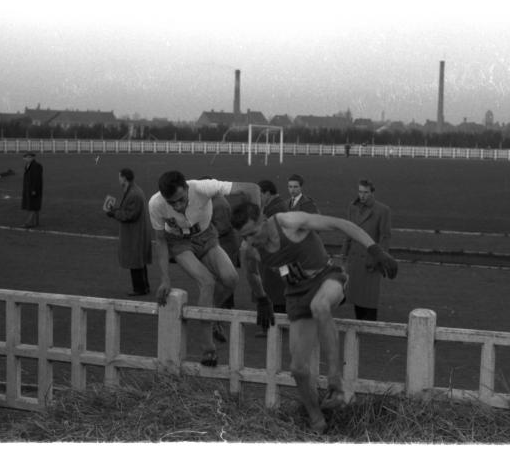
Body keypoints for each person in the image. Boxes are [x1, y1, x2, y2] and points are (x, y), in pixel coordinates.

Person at [231, 202, 398, 433]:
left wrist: (375, 249)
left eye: (252, 233)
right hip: (297, 297)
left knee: (320, 305)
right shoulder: (249, 249)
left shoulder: (290, 222)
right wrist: (261, 299)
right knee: (298, 369)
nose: (250, 241)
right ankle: (317, 420)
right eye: (244, 236)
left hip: (327, 279)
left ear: (263, 220)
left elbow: (340, 224)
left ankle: (334, 380)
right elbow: (250, 273)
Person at [149, 171, 261, 366]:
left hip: (207, 236)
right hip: (179, 242)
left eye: (181, 200)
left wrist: (256, 228)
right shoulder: (155, 203)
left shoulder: (203, 187)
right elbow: (160, 241)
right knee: (207, 282)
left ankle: (213, 313)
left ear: (187, 188)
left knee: (231, 278)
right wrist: (165, 278)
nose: (177, 206)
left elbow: (252, 188)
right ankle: (208, 349)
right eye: (172, 203)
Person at [341, 179, 392, 321]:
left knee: (369, 299)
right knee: (357, 297)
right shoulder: (352, 207)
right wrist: (344, 255)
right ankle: (361, 324)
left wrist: (379, 258)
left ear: (372, 192)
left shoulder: (382, 210)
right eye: (360, 192)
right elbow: (348, 232)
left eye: (366, 192)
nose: (362, 195)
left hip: (371, 261)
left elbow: (385, 237)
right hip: (355, 259)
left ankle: (369, 326)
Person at [198, 175, 239, 343]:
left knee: (220, 283)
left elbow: (221, 228)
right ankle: (218, 318)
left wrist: (203, 230)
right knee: (221, 283)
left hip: (223, 245)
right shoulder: (215, 201)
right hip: (221, 244)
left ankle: (217, 320)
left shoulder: (219, 204)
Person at [106, 168, 152, 297]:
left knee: (135, 261)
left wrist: (114, 213)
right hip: (136, 232)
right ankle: (144, 287)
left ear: (124, 178)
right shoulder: (133, 191)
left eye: (119, 177)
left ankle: (139, 289)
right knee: (139, 261)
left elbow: (130, 215)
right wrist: (115, 210)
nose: (118, 179)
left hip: (134, 233)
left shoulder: (134, 193)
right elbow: (128, 210)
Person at [255, 180, 288, 314]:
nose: (259, 198)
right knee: (277, 291)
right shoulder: (277, 205)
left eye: (260, 194)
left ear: (267, 193)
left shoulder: (275, 209)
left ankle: (274, 327)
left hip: (274, 257)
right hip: (277, 257)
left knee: (274, 292)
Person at [21, 152, 43, 228]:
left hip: (34, 189)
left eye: (28, 157)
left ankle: (28, 223)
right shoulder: (27, 165)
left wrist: (34, 189)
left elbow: (37, 179)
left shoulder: (37, 166)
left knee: (32, 206)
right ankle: (36, 223)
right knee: (34, 206)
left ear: (32, 158)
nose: (27, 158)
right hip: (28, 188)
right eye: (26, 157)